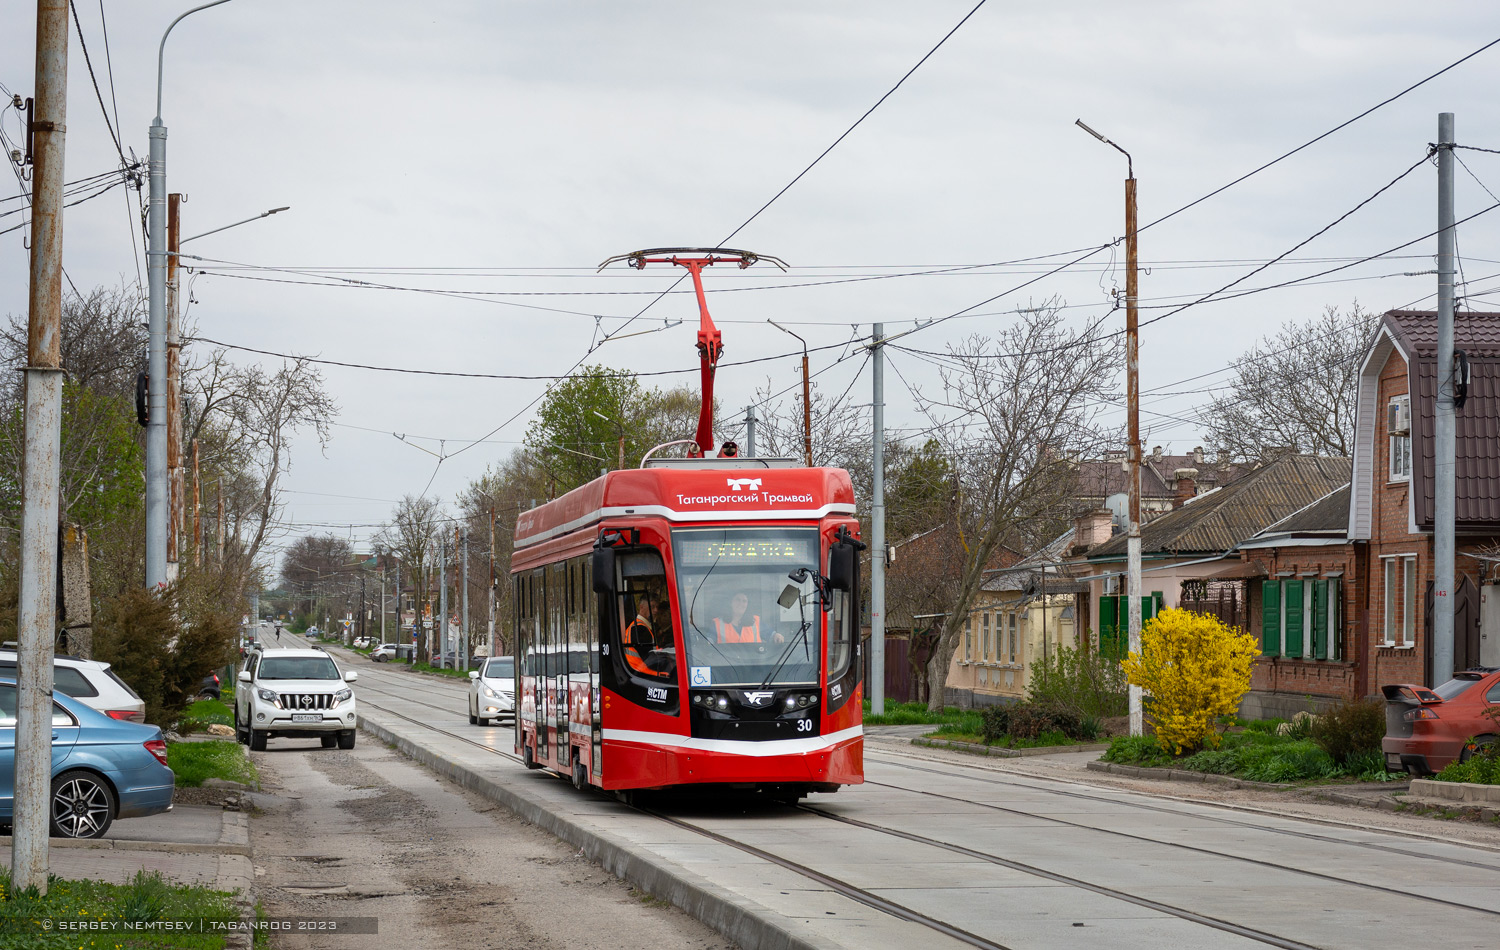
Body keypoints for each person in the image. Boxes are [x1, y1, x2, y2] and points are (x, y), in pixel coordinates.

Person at [714, 592, 783, 644]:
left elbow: (771, 635)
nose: (741, 604)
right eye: (737, 600)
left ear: (747, 605)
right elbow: (709, 641)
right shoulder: (717, 623)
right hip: (724, 659)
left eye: (744, 601)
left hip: (753, 659)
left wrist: (776, 636)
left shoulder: (756, 621)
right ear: (730, 603)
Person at [623, 596, 663, 676]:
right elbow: (650, 659)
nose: (656, 610)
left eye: (657, 607)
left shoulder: (636, 625)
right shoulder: (640, 629)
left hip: (637, 672)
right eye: (652, 607)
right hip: (645, 674)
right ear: (641, 607)